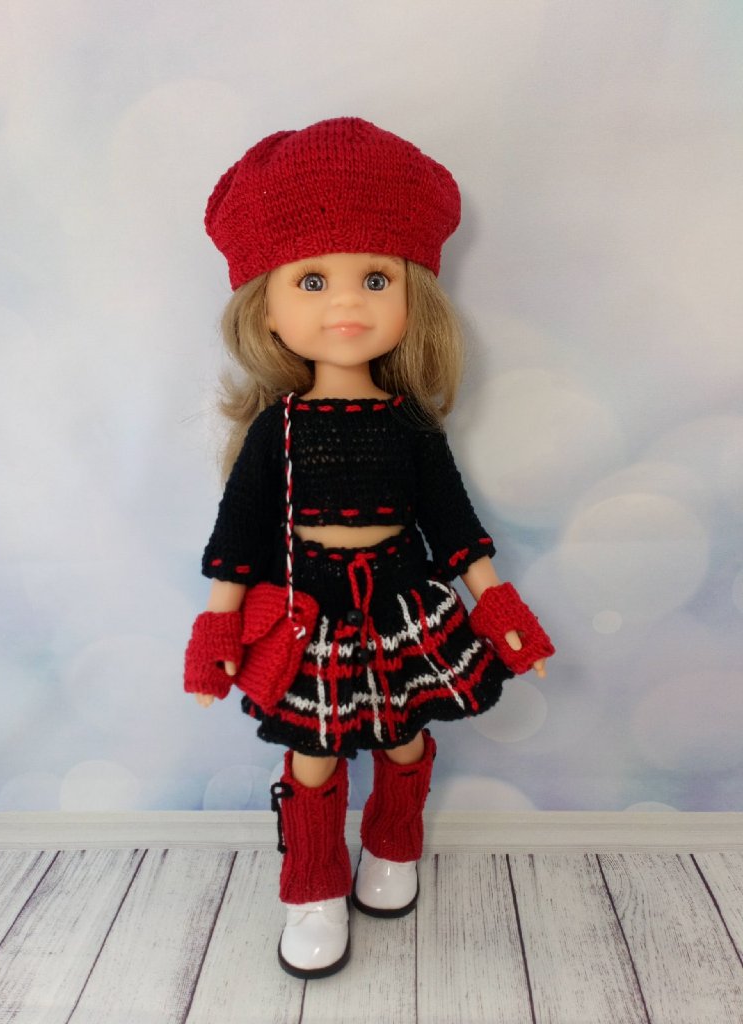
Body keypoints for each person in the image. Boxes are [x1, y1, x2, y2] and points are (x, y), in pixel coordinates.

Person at [184, 117, 554, 979]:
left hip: (402, 605)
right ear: (265, 307)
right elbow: (238, 541)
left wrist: (502, 612)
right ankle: (312, 889)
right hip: (310, 615)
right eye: (312, 281)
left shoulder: (409, 425)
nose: (345, 304)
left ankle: (393, 850)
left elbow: (455, 530)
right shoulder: (277, 430)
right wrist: (217, 635)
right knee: (312, 754)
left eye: (375, 279)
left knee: (405, 736)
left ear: (412, 298)